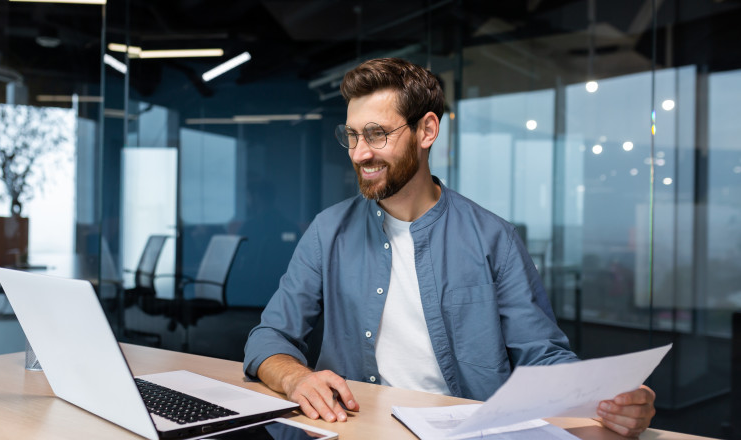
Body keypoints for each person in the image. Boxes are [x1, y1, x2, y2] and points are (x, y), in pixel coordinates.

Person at [243, 57, 656, 437]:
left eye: (377, 134)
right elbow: (269, 337)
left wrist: (611, 398)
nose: (360, 153)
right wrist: (296, 377)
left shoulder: (494, 238)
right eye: (351, 136)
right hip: (358, 427)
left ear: (427, 130)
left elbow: (541, 355)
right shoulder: (327, 231)